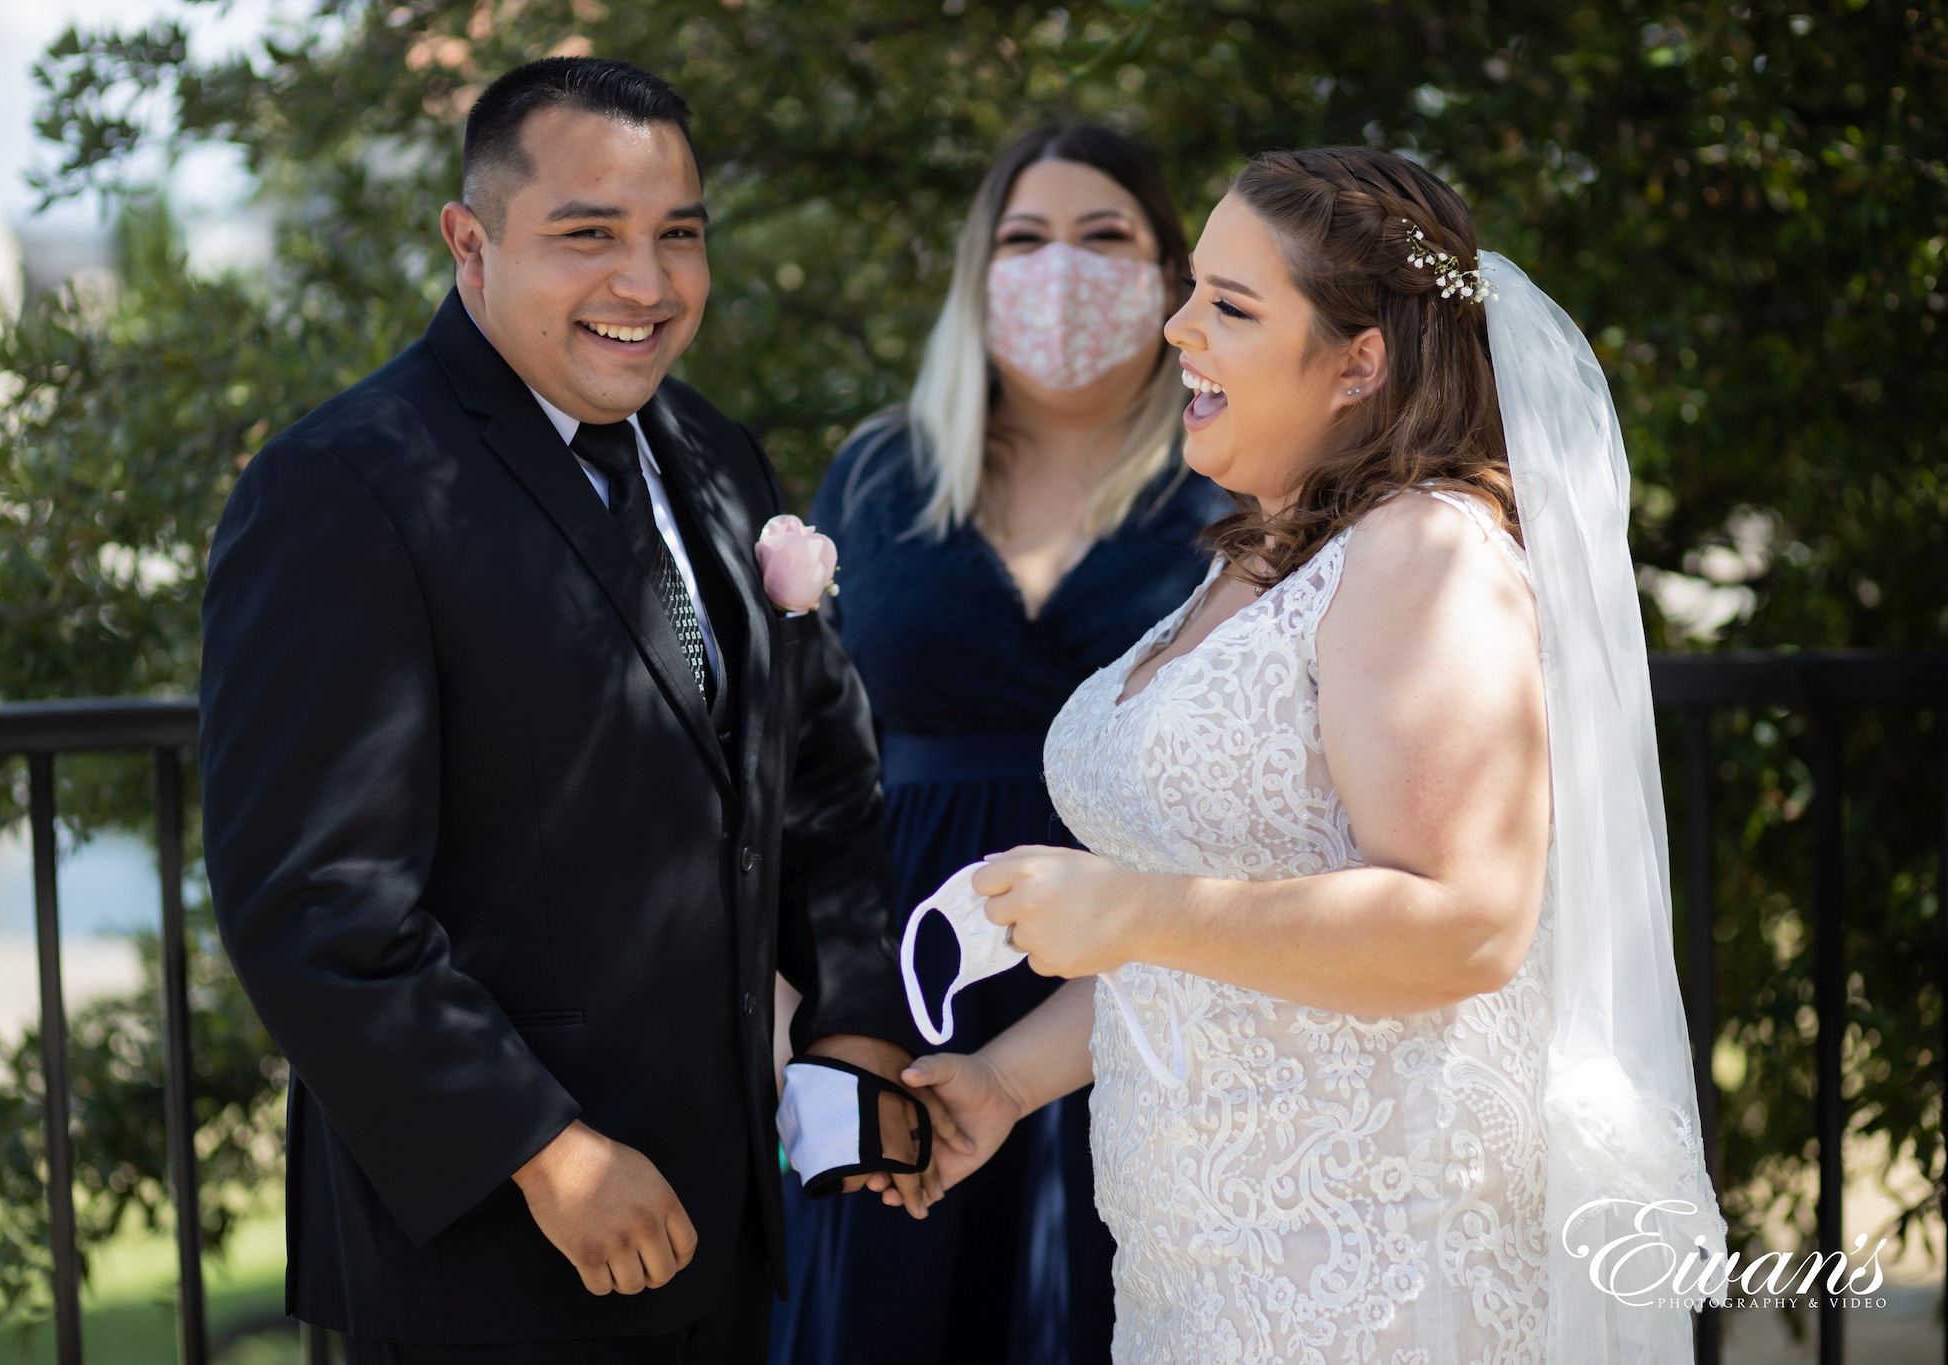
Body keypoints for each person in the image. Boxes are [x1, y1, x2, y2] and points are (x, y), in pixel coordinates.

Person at [906, 147, 1727, 1362]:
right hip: (1200, 1270)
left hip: (1375, 1270)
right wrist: (1006, 1083)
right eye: (1190, 289)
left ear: (1359, 361)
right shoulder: (1250, 558)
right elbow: (1210, 939)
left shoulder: (1422, 556)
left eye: (1229, 307)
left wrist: (1133, 907)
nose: (1177, 326)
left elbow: (1465, 923)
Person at [199, 57, 937, 1364]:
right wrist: (543, 1151)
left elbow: (813, 764)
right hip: (497, 1242)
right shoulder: (345, 488)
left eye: (679, 236)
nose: (645, 285)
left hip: (721, 1214)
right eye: (588, 234)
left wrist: (854, 1012)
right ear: (469, 245)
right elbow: (315, 902)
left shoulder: (714, 455)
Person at [768, 125, 1229, 1365]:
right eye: (1024, 240)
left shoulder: (1231, 479)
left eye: (1102, 238)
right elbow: (810, 751)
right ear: (977, 271)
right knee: (890, 1305)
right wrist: (794, 993)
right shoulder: (881, 471)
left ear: (1170, 274)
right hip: (906, 971)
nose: (1059, 268)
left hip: (1151, 972)